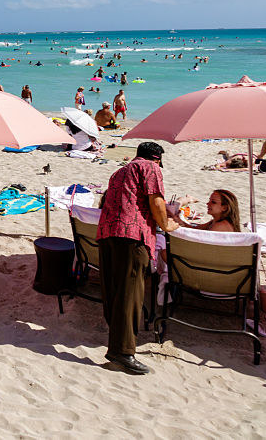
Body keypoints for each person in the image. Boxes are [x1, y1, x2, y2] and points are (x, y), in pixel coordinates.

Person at [96, 142, 178, 375]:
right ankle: (122, 352)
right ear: (158, 159)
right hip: (132, 235)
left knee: (114, 291)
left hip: (107, 232)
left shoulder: (119, 172)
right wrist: (166, 224)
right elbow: (156, 201)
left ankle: (118, 343)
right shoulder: (150, 167)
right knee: (130, 293)